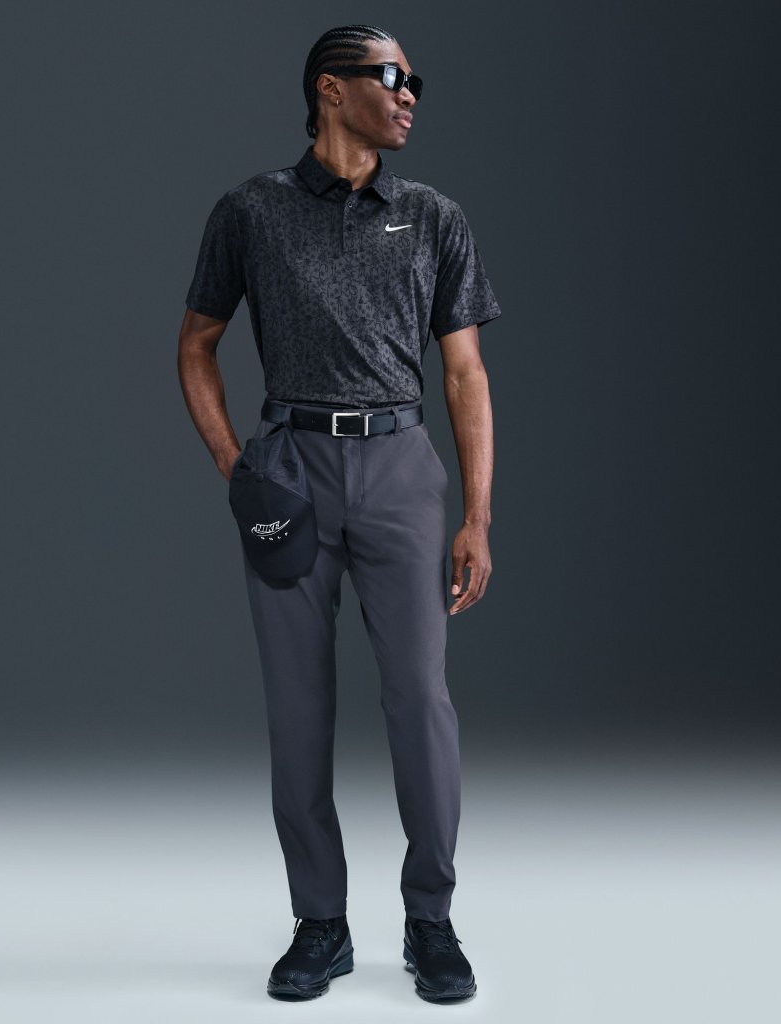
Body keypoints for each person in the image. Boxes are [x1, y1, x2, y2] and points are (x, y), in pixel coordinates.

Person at [178, 24, 501, 1003]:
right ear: (330, 89)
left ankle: (430, 920)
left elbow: (464, 373)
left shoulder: (433, 216)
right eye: (391, 77)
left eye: (413, 81)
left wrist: (477, 515)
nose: (408, 95)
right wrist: (238, 467)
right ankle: (319, 924)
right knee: (298, 709)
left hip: (401, 468)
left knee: (421, 701)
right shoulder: (252, 211)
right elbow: (196, 343)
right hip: (291, 469)